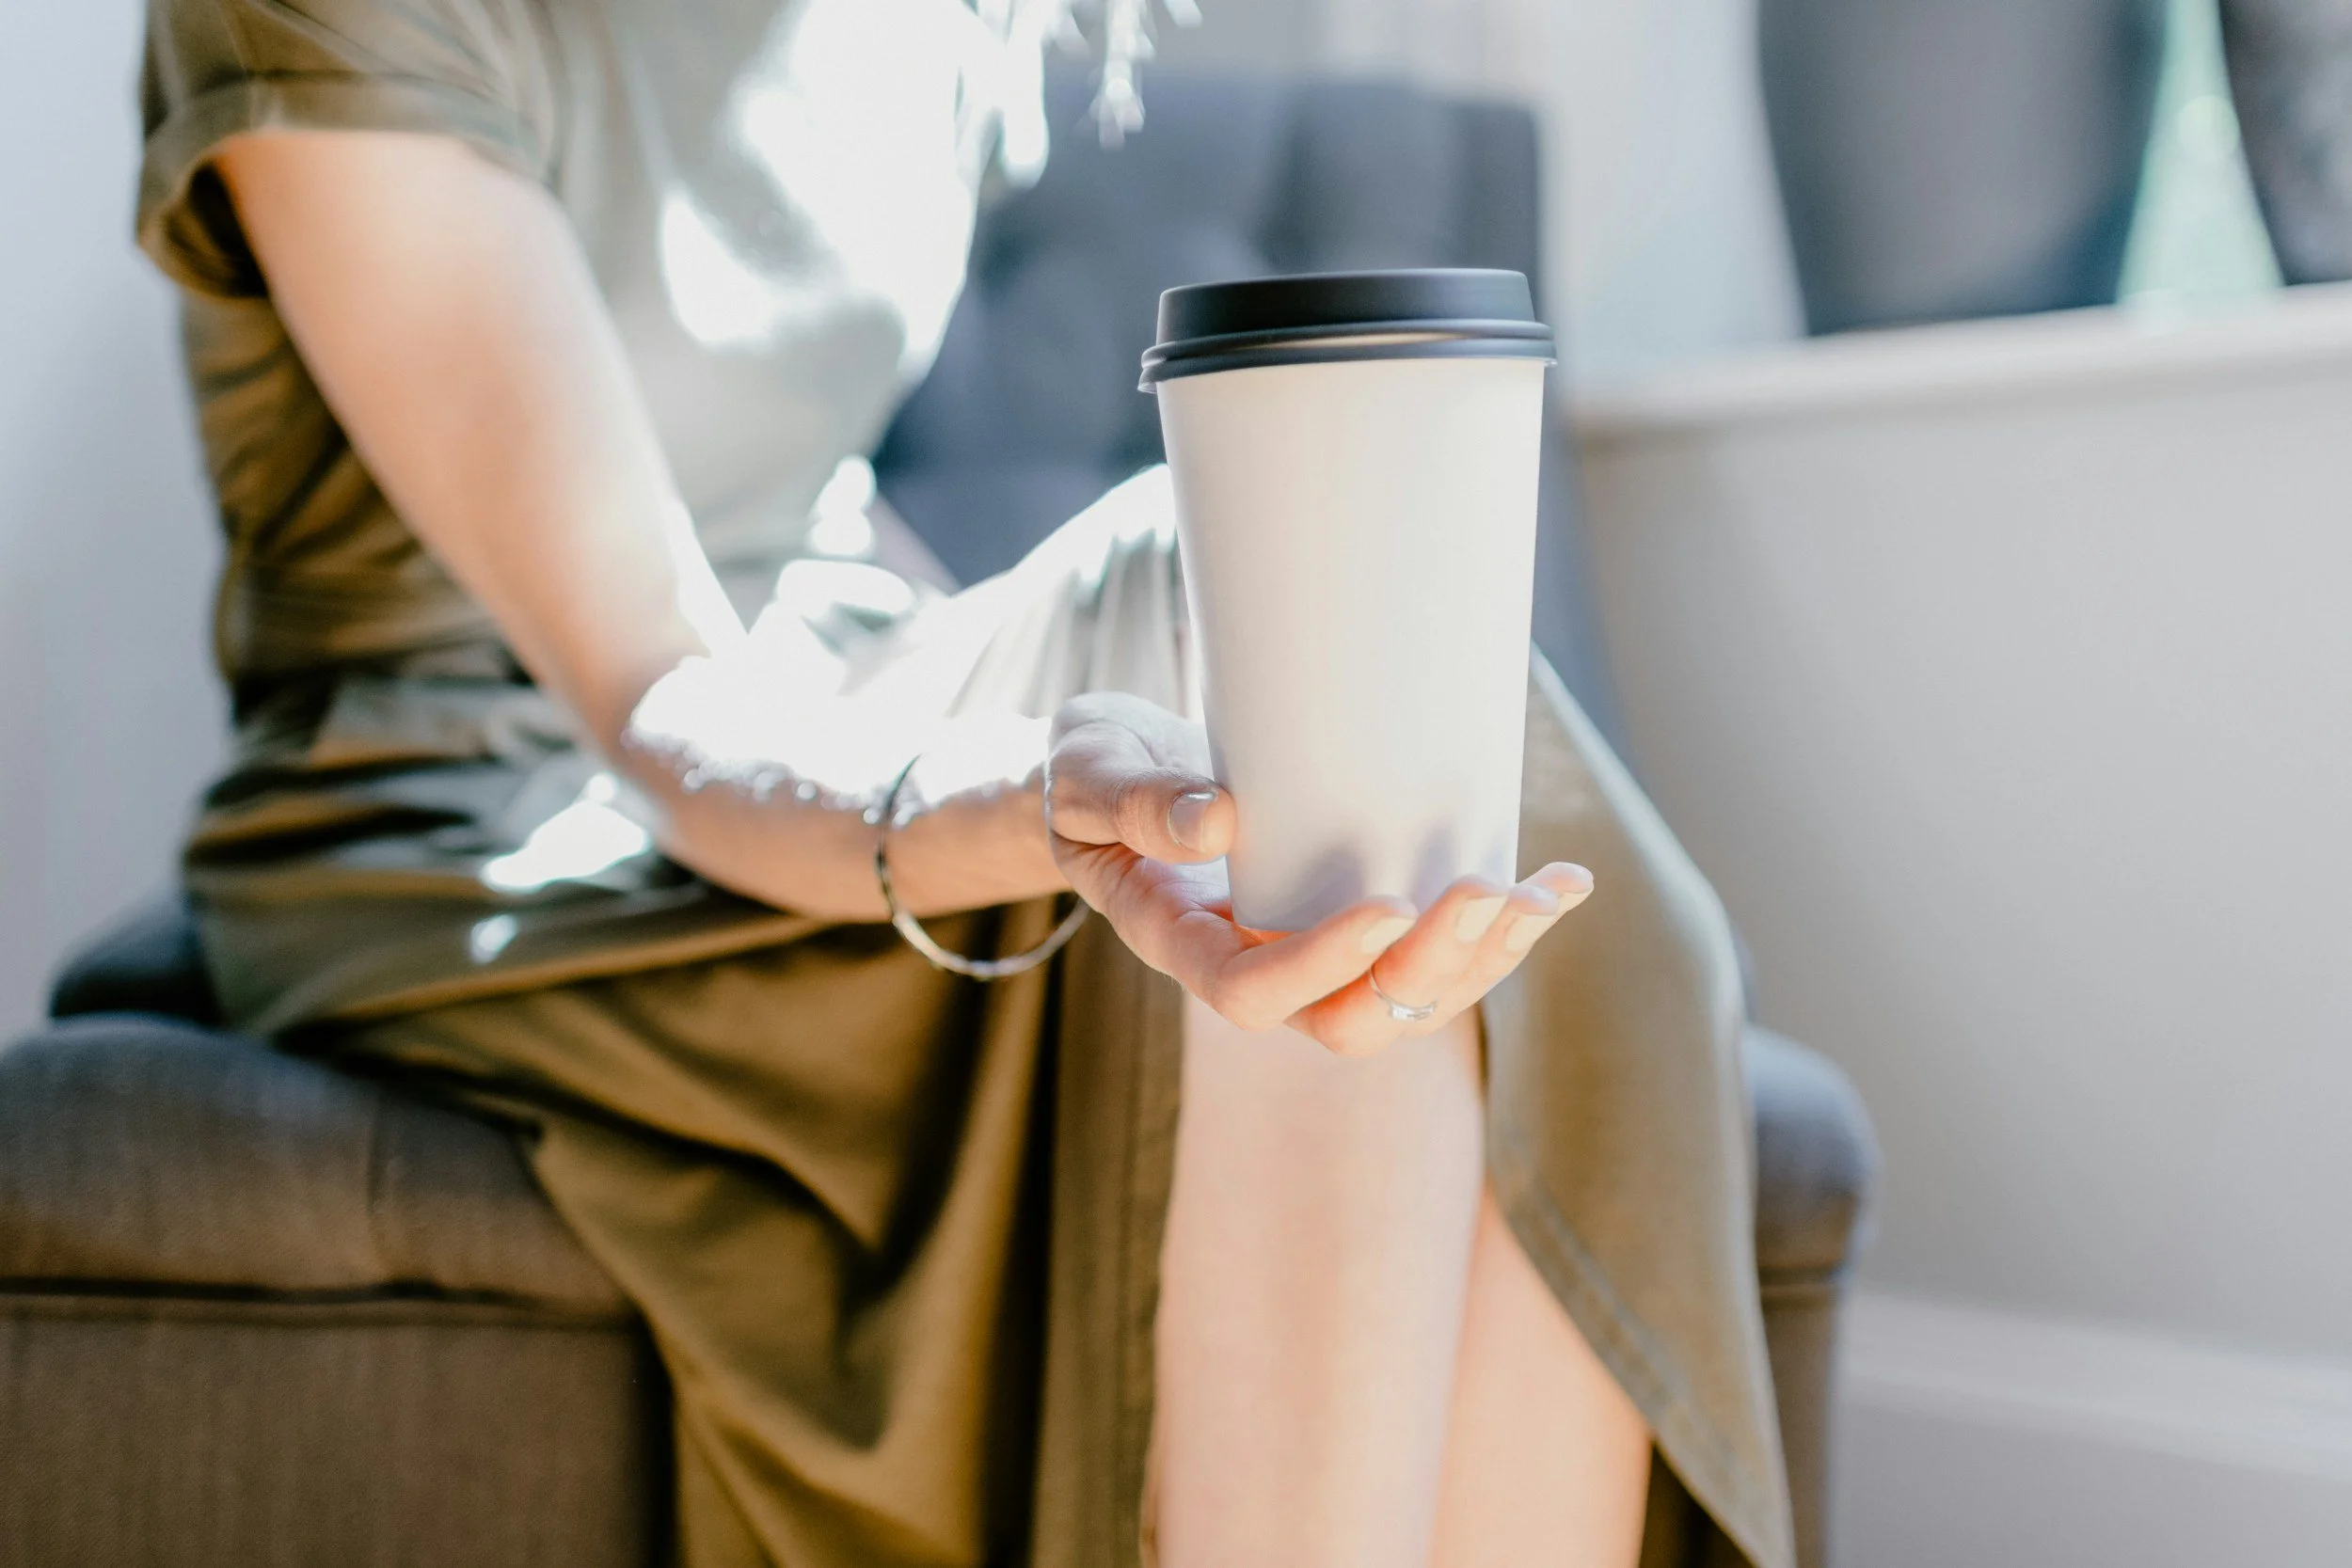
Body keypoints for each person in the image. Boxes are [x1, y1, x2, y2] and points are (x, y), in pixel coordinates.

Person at [135, 1, 1792, 1564]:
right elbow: (657, 682)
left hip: (847, 669)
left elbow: (790, 530)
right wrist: (1018, 799)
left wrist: (1035, 721)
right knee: (1244, 758)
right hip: (487, 802)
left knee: (1364, 704)